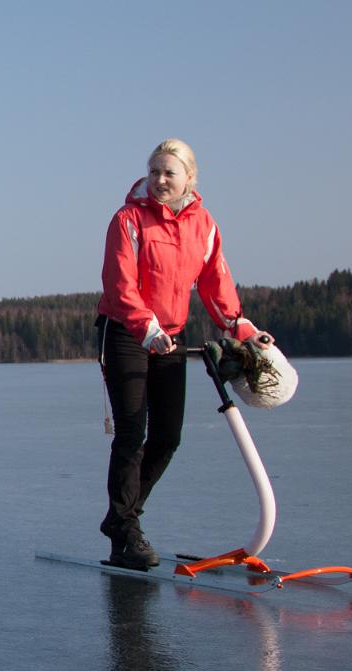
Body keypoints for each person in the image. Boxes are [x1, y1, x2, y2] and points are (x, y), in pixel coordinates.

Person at [96, 138, 272, 570]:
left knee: (168, 436)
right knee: (132, 432)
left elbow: (215, 282)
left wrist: (241, 327)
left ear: (189, 179)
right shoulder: (128, 220)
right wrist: (146, 328)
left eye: (169, 173)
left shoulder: (203, 224)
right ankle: (125, 531)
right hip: (124, 332)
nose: (159, 179)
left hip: (170, 335)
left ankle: (122, 519)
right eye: (154, 171)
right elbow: (121, 285)